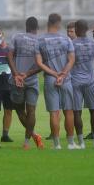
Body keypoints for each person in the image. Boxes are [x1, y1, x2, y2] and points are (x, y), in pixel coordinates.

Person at [35, 13, 79, 149]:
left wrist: (54, 74)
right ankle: (71, 143)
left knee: (54, 112)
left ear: (48, 23)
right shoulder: (67, 40)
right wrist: (63, 74)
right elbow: (72, 59)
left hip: (50, 79)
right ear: (59, 24)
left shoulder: (40, 40)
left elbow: (39, 62)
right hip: (65, 80)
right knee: (69, 111)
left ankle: (57, 144)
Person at [7, 17, 44, 150]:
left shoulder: (16, 37)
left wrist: (16, 74)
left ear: (26, 26)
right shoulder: (40, 41)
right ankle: (27, 141)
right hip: (32, 80)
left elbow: (9, 56)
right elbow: (42, 65)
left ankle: (33, 136)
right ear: (37, 28)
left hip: (16, 81)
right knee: (31, 111)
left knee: (19, 110)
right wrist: (27, 74)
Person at [72, 20, 94, 149]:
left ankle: (81, 143)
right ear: (87, 29)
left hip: (75, 81)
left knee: (77, 112)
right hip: (90, 81)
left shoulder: (72, 43)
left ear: (76, 29)